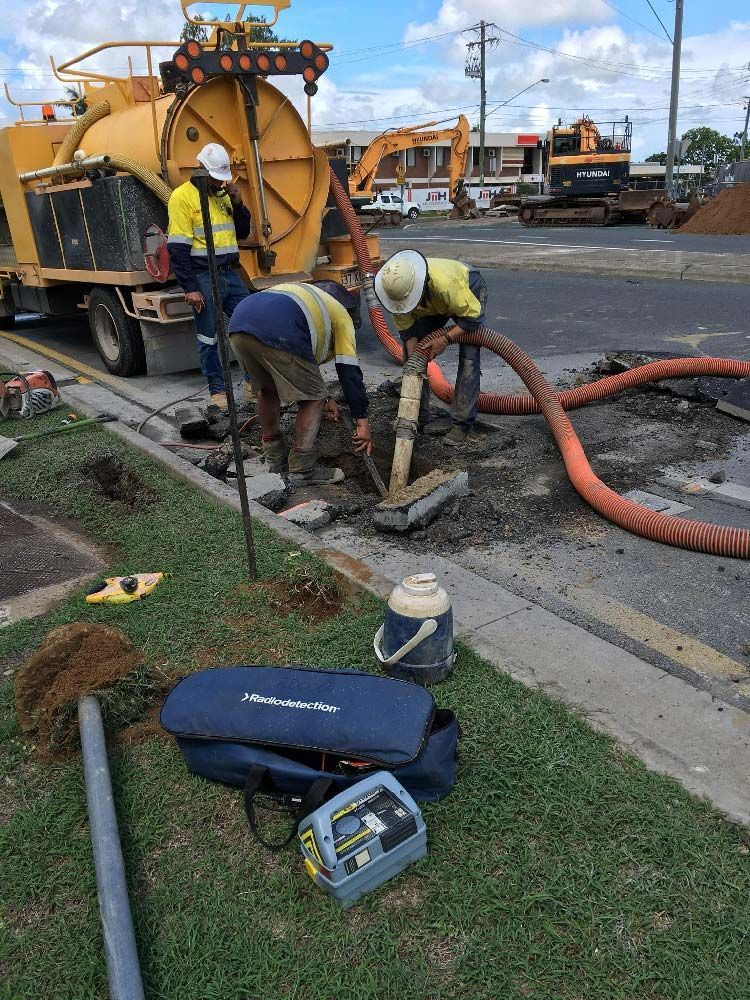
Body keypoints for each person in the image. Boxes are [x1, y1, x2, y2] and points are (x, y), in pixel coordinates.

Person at [227, 280, 373, 485]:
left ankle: (275, 458)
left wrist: (328, 398)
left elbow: (302, 370)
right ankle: (303, 469)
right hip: (278, 330)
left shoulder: (304, 297)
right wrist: (362, 421)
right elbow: (348, 372)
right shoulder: (340, 315)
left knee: (268, 391)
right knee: (313, 398)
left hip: (238, 323)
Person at [167, 143, 252, 411]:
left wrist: (239, 205)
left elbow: (242, 232)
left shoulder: (224, 196)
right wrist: (190, 287)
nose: (220, 182)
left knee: (250, 327)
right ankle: (218, 391)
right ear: (202, 170)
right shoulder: (182, 198)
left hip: (231, 273)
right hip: (203, 274)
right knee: (208, 336)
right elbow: (177, 248)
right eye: (216, 177)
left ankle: (254, 383)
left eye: (222, 178)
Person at [374, 250, 487, 447]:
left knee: (469, 355)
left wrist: (445, 338)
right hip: (432, 305)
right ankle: (417, 415)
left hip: (467, 287)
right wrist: (415, 357)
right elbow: (409, 332)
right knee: (412, 356)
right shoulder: (396, 295)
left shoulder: (446, 286)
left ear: (421, 287)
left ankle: (462, 424)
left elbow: (472, 319)